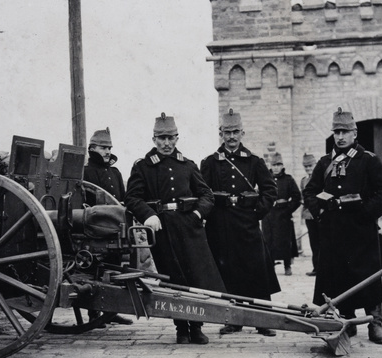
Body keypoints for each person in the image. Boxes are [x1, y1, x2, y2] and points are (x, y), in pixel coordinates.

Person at [302, 107, 382, 344]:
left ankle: (375, 324)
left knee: (369, 278)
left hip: (362, 233)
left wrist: (365, 212)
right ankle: (348, 322)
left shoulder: (368, 160)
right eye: (336, 132)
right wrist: (321, 211)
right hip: (333, 234)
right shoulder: (324, 163)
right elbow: (309, 192)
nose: (340, 136)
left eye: (345, 131)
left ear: (354, 133)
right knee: (339, 279)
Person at [125, 113, 226, 345]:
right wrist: (148, 215)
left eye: (170, 138)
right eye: (162, 138)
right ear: (154, 139)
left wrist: (198, 214)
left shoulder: (187, 165)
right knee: (172, 279)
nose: (167, 143)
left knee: (195, 278)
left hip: (189, 228)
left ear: (177, 138)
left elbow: (207, 195)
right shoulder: (143, 167)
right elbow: (131, 198)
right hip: (163, 230)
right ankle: (181, 328)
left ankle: (197, 327)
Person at [200, 109, 280, 337]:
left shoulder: (254, 162)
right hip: (221, 226)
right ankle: (233, 320)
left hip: (247, 226)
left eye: (235, 132)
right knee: (229, 273)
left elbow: (270, 191)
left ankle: (263, 319)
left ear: (242, 132)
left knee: (256, 271)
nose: (232, 136)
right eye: (227, 132)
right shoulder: (210, 163)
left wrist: (256, 214)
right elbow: (203, 192)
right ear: (221, 134)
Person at [83, 128, 134, 326]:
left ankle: (111, 312)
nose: (107, 151)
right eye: (103, 147)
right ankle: (94, 314)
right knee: (94, 271)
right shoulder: (86, 172)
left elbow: (121, 199)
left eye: (109, 148)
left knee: (115, 270)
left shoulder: (115, 172)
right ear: (92, 148)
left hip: (116, 229)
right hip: (95, 230)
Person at [262, 152, 301, 276]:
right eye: (274, 165)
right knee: (269, 241)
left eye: (278, 164)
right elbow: (260, 195)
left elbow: (297, 197)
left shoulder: (288, 179)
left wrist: (287, 210)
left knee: (284, 241)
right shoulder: (265, 178)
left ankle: (287, 265)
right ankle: (270, 266)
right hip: (268, 215)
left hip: (283, 215)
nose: (276, 167)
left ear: (282, 165)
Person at [300, 153, 320, 277]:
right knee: (314, 243)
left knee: (323, 242)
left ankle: (323, 268)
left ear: (316, 165)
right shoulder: (304, 181)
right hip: (309, 215)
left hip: (320, 214)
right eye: (306, 167)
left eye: (310, 166)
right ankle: (316, 267)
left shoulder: (321, 178)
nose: (308, 169)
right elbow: (302, 197)